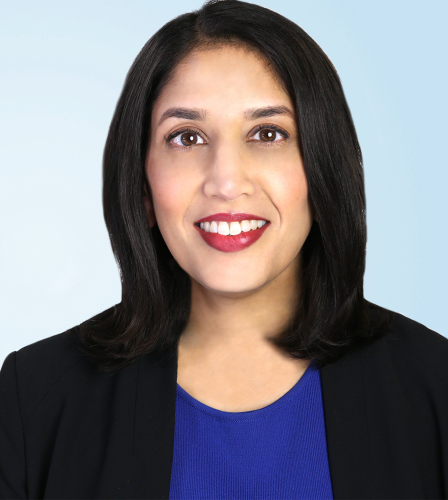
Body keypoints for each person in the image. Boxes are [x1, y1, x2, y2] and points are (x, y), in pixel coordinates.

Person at [1, 0, 447, 499]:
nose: (226, 181)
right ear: (143, 186)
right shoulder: (34, 396)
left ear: (323, 172)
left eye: (268, 133)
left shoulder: (435, 387)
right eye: (187, 137)